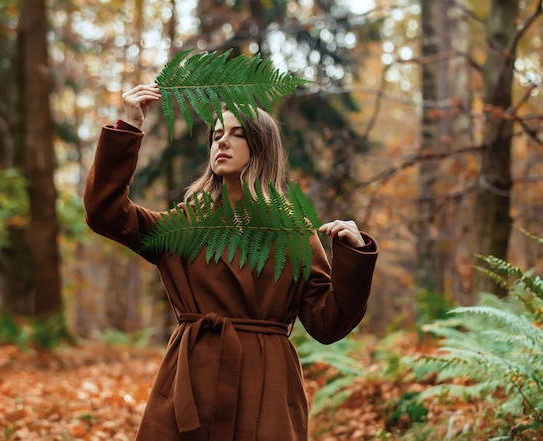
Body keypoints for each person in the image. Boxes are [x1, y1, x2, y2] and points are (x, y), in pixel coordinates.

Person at [84, 84, 379, 441]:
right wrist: (130, 126)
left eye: (237, 134)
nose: (222, 142)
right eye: (217, 135)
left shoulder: (295, 233)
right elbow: (106, 213)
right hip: (192, 378)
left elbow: (328, 323)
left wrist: (354, 254)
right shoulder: (184, 225)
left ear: (261, 148)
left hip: (266, 387)